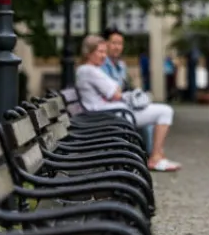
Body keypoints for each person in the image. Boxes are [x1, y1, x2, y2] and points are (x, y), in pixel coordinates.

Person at [75, 34, 182, 172]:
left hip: (112, 112)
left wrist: (117, 91)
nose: (103, 56)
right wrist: (117, 91)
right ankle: (155, 158)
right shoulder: (88, 70)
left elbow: (116, 90)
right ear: (88, 53)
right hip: (110, 115)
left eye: (104, 52)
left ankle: (158, 155)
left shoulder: (90, 70)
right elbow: (115, 93)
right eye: (100, 52)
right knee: (165, 111)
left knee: (159, 110)